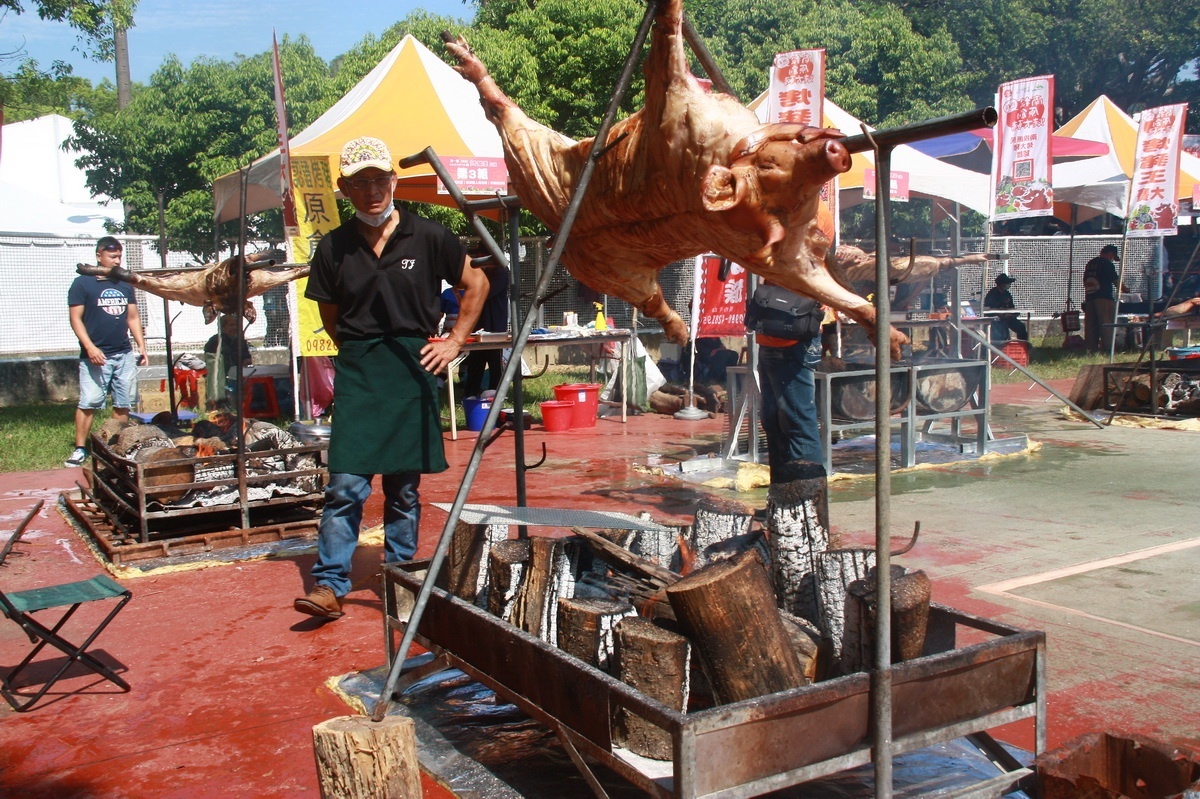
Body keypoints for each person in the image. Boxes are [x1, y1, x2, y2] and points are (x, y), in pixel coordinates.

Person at [293, 136, 487, 620]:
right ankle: (330, 584)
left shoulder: (429, 235)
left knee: (403, 489)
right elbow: (333, 318)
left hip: (413, 365)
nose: (372, 190)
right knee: (345, 486)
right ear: (344, 189)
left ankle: (404, 578)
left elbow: (476, 283)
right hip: (360, 370)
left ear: (394, 181)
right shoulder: (333, 248)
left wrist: (454, 341)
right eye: (360, 182)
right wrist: (359, 353)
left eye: (380, 179)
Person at [65, 236, 148, 467]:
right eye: (112, 256)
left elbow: (132, 316)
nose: (117, 260)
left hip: (123, 353)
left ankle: (114, 447)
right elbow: (75, 319)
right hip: (96, 356)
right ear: (99, 255)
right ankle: (80, 449)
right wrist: (90, 347)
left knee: (123, 402)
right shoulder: (82, 284)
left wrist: (141, 345)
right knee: (89, 402)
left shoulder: (124, 283)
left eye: (119, 256)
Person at [460, 251, 511, 398]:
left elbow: (486, 291)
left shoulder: (501, 272)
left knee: (495, 362)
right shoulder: (483, 272)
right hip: (479, 326)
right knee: (476, 362)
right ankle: (470, 393)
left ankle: (496, 394)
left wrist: (474, 286)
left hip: (495, 326)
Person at [1083, 244, 1124, 353]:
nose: (1112, 259)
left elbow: (1085, 280)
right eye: (1113, 257)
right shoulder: (1106, 263)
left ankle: (1091, 349)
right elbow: (1116, 281)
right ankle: (1108, 349)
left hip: (1090, 297)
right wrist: (1125, 289)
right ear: (1110, 254)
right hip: (1104, 297)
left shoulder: (1090, 263)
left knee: (1091, 325)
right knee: (1106, 323)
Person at [204, 314, 253, 399]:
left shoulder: (240, 340)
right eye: (231, 325)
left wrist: (246, 360)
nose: (234, 327)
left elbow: (246, 355)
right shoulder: (215, 341)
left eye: (235, 325)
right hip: (223, 375)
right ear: (223, 327)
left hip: (238, 373)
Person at [983, 274, 1028, 343]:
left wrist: (1013, 314)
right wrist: (1003, 315)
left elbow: (1011, 307)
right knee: (1001, 332)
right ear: (1002, 284)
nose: (1009, 285)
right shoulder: (992, 294)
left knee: (1021, 327)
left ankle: (1023, 346)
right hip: (996, 319)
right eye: (1007, 283)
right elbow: (990, 310)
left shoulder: (1007, 294)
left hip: (1008, 318)